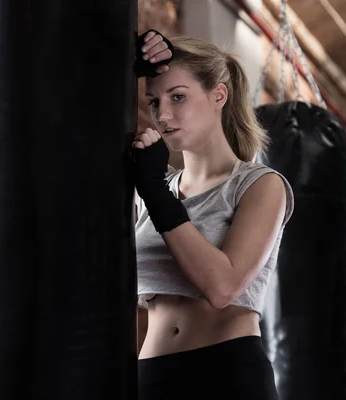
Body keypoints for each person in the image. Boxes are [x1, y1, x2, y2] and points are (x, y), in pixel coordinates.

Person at [133, 30, 294, 400]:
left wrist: (155, 192)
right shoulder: (152, 191)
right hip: (152, 376)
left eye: (178, 97)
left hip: (226, 373)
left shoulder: (258, 185)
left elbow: (223, 287)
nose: (163, 114)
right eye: (154, 102)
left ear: (218, 95)